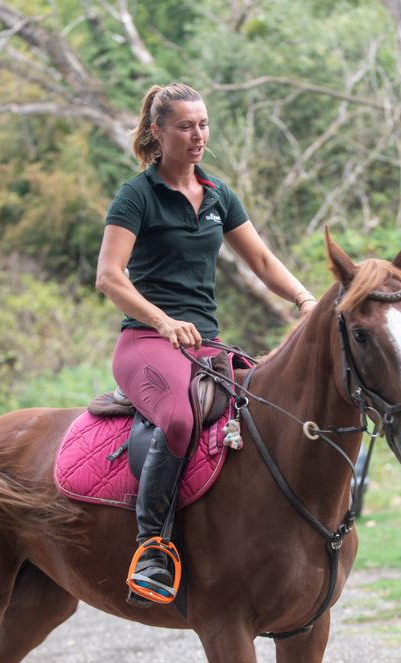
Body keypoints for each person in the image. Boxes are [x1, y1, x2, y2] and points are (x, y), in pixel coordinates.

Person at [95, 82, 318, 606]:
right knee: (177, 419)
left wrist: (306, 299)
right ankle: (152, 546)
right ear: (158, 132)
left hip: (205, 347)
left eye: (203, 125)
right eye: (185, 126)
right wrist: (162, 320)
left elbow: (261, 262)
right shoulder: (136, 196)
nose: (198, 136)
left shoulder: (219, 195)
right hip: (146, 343)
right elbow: (109, 277)